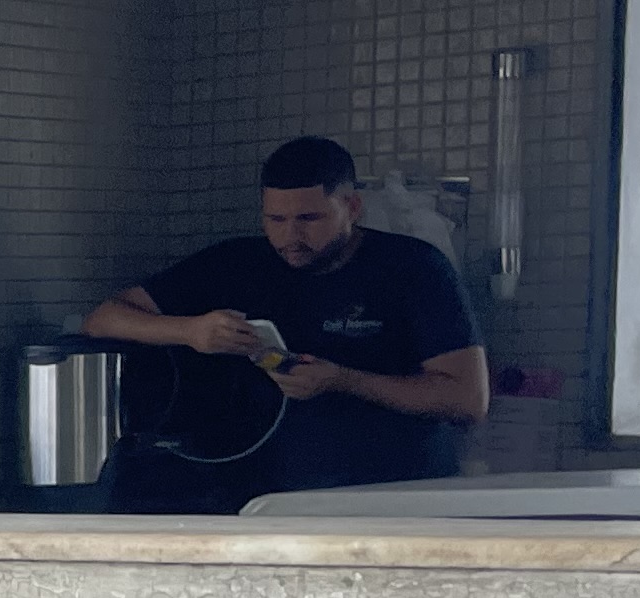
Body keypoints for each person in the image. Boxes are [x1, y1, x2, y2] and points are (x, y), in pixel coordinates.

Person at [84, 136, 487, 508]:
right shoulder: (238, 263)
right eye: (275, 220)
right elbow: (103, 319)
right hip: (268, 500)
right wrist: (190, 331)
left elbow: (467, 400)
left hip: (397, 497)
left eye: (309, 219)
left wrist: (344, 379)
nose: (290, 236)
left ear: (351, 208)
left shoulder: (414, 267)